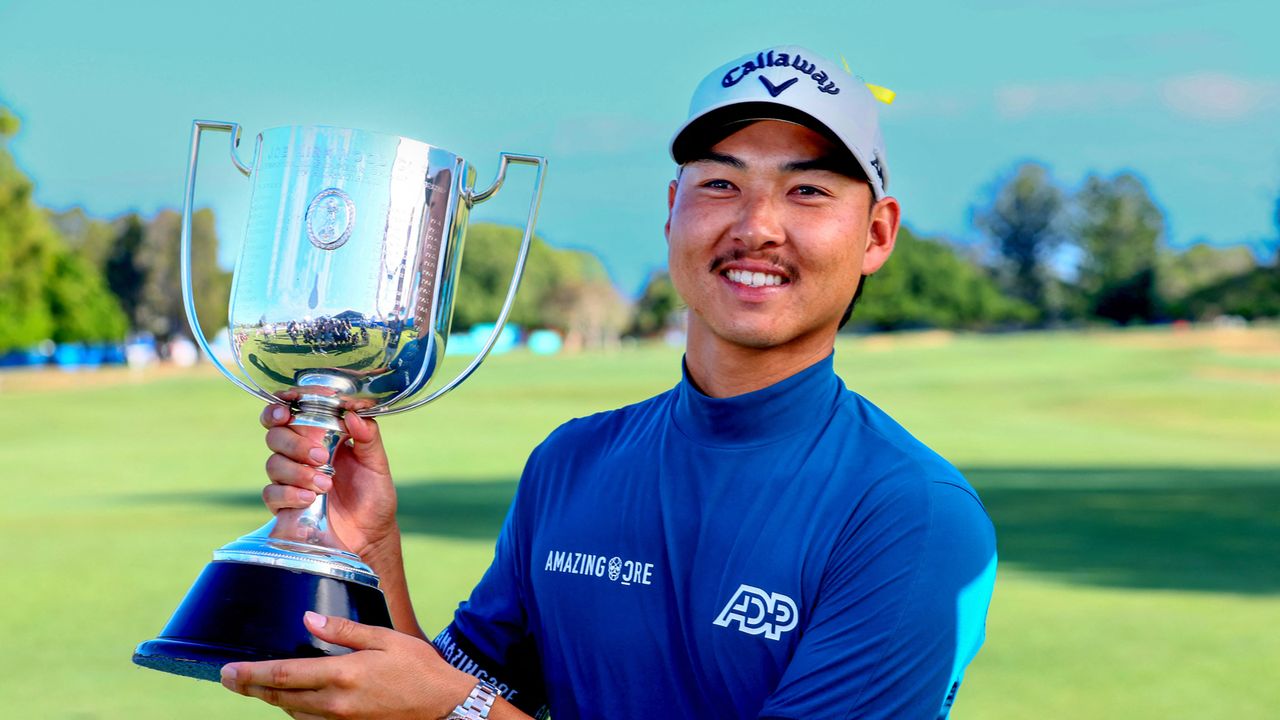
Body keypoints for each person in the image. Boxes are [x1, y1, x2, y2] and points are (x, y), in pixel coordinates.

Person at [220, 44, 997, 720]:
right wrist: (368, 549)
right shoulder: (573, 461)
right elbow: (440, 699)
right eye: (721, 184)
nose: (756, 225)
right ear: (672, 212)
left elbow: (456, 710)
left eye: (808, 190)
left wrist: (456, 708)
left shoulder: (913, 517)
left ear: (878, 233)